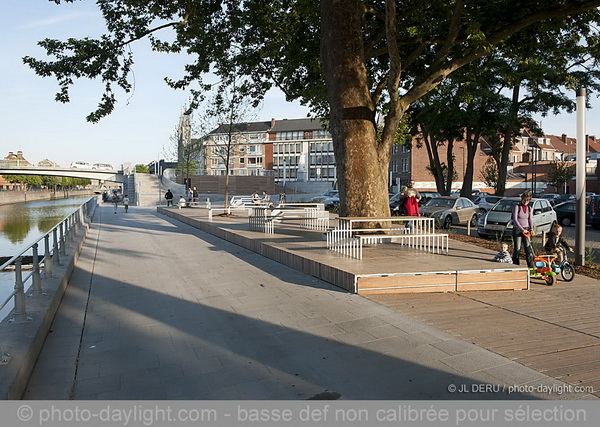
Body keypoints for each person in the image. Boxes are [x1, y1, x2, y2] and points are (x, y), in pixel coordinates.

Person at [511, 192, 534, 267]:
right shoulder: (517, 207)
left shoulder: (529, 208)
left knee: (528, 248)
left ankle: (530, 266)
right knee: (517, 248)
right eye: (524, 200)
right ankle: (516, 265)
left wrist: (531, 229)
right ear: (522, 199)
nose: (526, 202)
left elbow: (530, 219)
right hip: (518, 229)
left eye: (527, 200)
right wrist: (521, 229)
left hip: (526, 229)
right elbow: (515, 219)